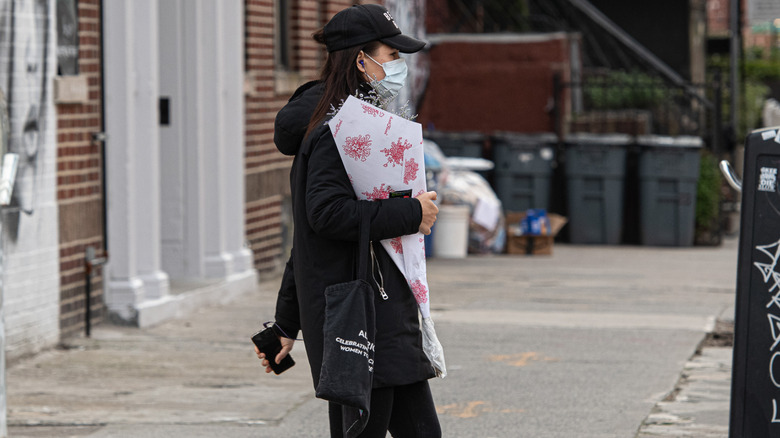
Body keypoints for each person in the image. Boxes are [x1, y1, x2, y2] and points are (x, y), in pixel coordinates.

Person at [254, 4, 442, 438]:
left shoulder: (363, 124)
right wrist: (413, 212)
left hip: (386, 310)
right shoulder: (337, 130)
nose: (399, 66)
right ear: (362, 60)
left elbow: (305, 237)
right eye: (392, 55)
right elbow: (323, 216)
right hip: (357, 316)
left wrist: (285, 323)